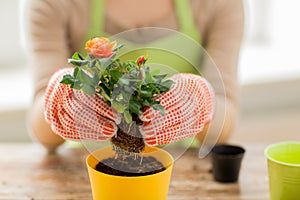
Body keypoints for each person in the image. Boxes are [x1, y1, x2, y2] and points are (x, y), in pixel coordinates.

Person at [24, 0, 244, 151]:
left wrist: (200, 101)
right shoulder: (54, 4)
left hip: (183, 169)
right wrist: (60, 100)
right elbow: (43, 134)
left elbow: (225, 122)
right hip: (87, 170)